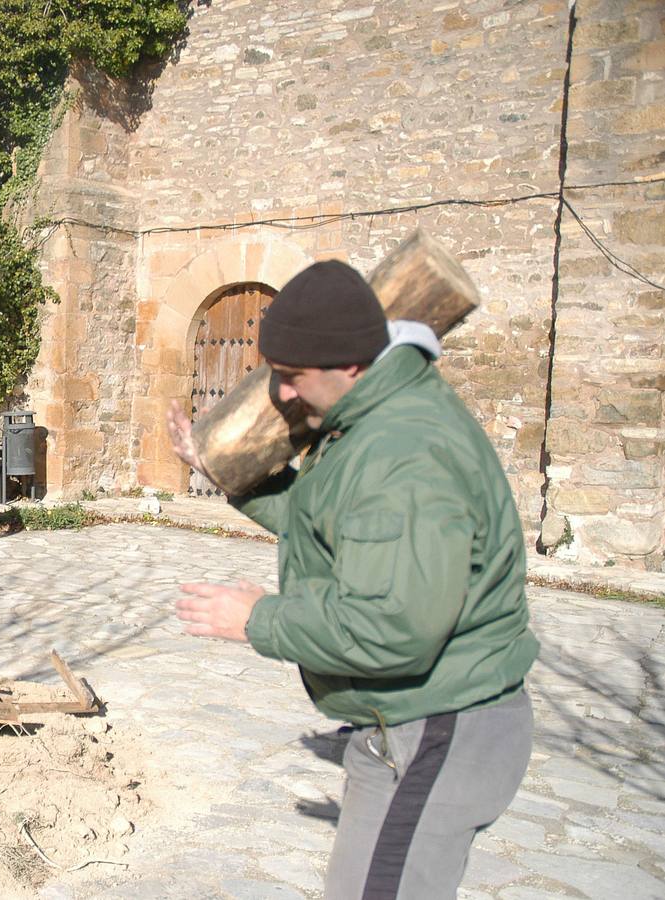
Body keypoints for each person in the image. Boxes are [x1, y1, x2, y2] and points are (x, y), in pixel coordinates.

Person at [167, 260, 540, 898]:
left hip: (436, 726)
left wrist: (257, 619)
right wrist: (223, 467)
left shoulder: (403, 452)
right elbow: (326, 519)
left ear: (350, 365)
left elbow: (391, 626)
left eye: (292, 376)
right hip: (408, 724)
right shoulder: (372, 420)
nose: (282, 394)